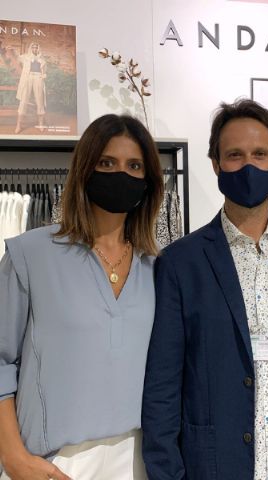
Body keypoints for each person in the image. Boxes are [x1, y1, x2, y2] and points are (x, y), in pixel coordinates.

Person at [142, 99, 268, 480]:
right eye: (234, 155)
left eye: (260, 154)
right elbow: (163, 387)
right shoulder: (180, 263)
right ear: (215, 164)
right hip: (215, 464)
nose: (248, 165)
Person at [0, 114, 163, 479]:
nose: (121, 174)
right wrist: (11, 455)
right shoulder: (30, 255)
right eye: (107, 162)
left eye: (134, 166)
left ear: (148, 180)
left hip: (139, 458)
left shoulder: (157, 268)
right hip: (56, 461)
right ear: (85, 168)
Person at [15, 42, 47, 134]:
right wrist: (12, 49)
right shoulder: (26, 57)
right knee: (24, 100)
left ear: (38, 49)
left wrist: (43, 76)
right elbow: (17, 57)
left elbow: (44, 71)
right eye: (33, 47)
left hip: (38, 77)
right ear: (31, 48)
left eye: (36, 47)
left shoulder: (42, 59)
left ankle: (40, 124)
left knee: (40, 100)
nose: (35, 49)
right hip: (28, 77)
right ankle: (18, 125)